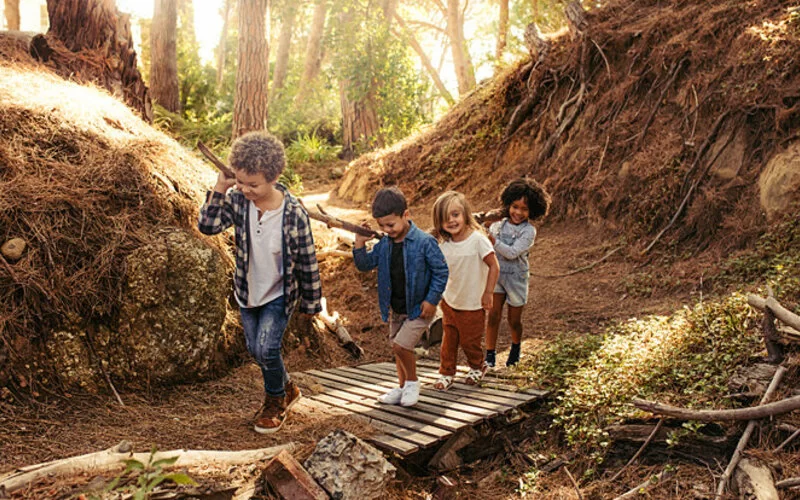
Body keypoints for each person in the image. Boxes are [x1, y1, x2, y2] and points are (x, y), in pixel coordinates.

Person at [198, 131, 322, 434]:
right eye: (241, 182)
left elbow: (307, 261)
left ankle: (275, 402)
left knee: (267, 349)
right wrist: (221, 187)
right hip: (247, 290)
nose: (245, 189)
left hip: (280, 294)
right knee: (256, 349)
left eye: (253, 184)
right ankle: (288, 388)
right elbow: (208, 225)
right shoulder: (239, 202)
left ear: (274, 177)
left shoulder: (293, 214)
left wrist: (311, 303)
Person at [353, 186, 448, 407]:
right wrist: (359, 243)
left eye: (391, 224)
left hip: (419, 308)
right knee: (397, 348)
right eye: (382, 226)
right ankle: (403, 385)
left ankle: (413, 383)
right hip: (396, 308)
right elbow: (364, 264)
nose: (387, 230)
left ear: (406, 215)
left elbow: (441, 271)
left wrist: (432, 299)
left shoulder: (425, 242)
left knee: (401, 346)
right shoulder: (384, 244)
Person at [432, 191, 499, 390]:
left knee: (470, 341)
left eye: (455, 215)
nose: (451, 221)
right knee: (449, 340)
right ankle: (446, 373)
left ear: (465, 214)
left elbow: (494, 266)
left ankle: (478, 366)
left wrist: (488, 292)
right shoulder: (444, 246)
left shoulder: (477, 240)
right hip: (450, 301)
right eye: (445, 218)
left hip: (473, 302)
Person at [485, 178, 550, 367]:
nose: (518, 212)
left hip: (516, 279)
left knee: (514, 320)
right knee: (493, 316)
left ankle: (515, 347)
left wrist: (491, 239)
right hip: (497, 275)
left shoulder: (529, 231)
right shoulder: (498, 224)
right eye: (515, 206)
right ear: (508, 204)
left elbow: (512, 253)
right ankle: (489, 354)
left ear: (533, 211)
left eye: (524, 209)